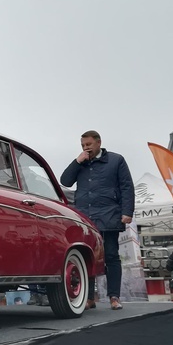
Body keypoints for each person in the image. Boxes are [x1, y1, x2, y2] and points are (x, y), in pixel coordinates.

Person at [60, 130, 134, 310]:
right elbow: (65, 181)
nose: (86, 148)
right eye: (83, 145)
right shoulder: (81, 163)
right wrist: (77, 162)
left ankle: (114, 297)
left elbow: (126, 187)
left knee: (111, 256)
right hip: (86, 218)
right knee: (88, 258)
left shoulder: (116, 160)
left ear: (98, 143)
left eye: (89, 145)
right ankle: (89, 298)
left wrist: (127, 211)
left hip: (109, 215)